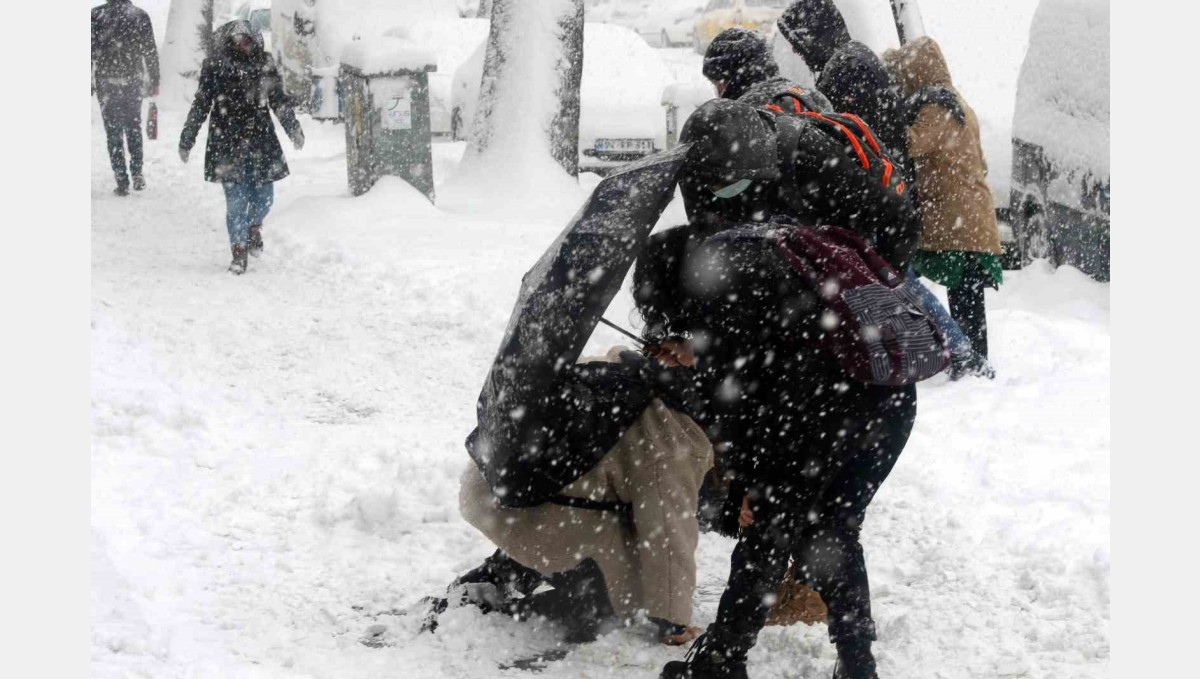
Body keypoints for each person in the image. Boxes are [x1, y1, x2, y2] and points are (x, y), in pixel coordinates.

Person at [641, 99, 921, 679]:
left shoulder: (718, 265)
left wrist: (745, 479)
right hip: (884, 401)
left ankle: (720, 662)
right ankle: (857, 665)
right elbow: (770, 346)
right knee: (828, 527)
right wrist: (703, 348)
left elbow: (745, 397)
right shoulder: (794, 233)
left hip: (819, 409)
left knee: (769, 527)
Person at [436, 343, 713, 646]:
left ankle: (498, 574)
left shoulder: (618, 367)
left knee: (580, 504)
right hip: (540, 517)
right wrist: (674, 620)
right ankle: (504, 612)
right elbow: (668, 532)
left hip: (491, 487)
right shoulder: (677, 434)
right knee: (624, 601)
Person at [883, 37, 1003, 378]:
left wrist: (901, 108)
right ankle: (973, 360)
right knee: (966, 292)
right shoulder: (957, 101)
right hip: (969, 217)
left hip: (959, 222)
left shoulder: (936, 108)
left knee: (962, 293)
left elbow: (905, 143)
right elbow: (981, 161)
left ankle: (972, 365)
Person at [179, 20, 304, 275]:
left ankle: (253, 227)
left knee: (265, 197)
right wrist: (187, 138)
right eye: (236, 41)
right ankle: (238, 249)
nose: (241, 45)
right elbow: (202, 103)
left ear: (254, 40)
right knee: (235, 201)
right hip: (225, 141)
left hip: (261, 139)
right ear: (228, 42)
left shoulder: (265, 63)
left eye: (245, 40)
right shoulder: (215, 65)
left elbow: (278, 99)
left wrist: (293, 128)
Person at [91, 0, 160, 196]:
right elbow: (150, 50)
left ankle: (121, 178)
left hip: (107, 81)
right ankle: (137, 171)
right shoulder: (139, 15)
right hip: (132, 80)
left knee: (113, 132)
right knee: (133, 126)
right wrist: (154, 79)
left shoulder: (96, 16)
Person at [701, 27, 833, 112]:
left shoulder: (742, 113)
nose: (717, 92)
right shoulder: (813, 96)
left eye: (716, 83)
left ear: (734, 78)